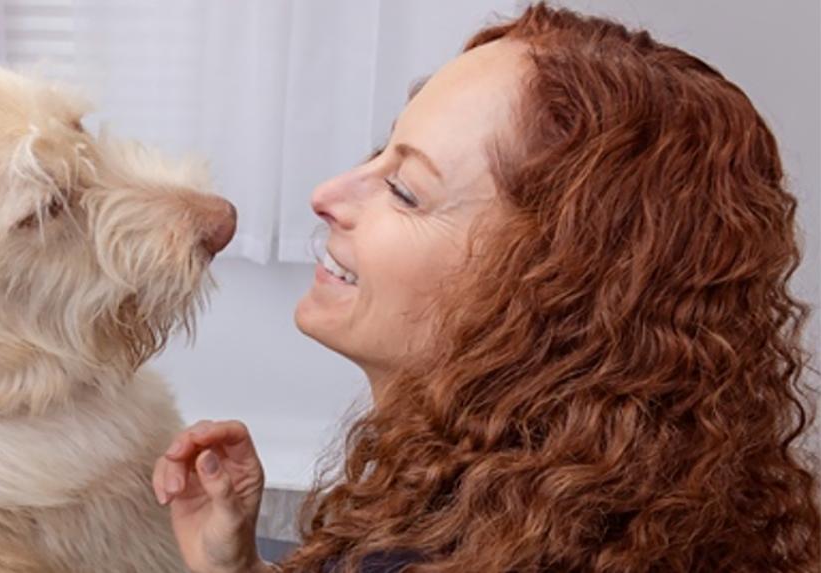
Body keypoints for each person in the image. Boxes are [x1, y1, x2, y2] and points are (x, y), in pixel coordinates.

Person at [152, 4, 821, 572]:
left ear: (551, 291)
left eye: (405, 191)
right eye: (380, 152)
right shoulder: (601, 512)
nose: (327, 195)